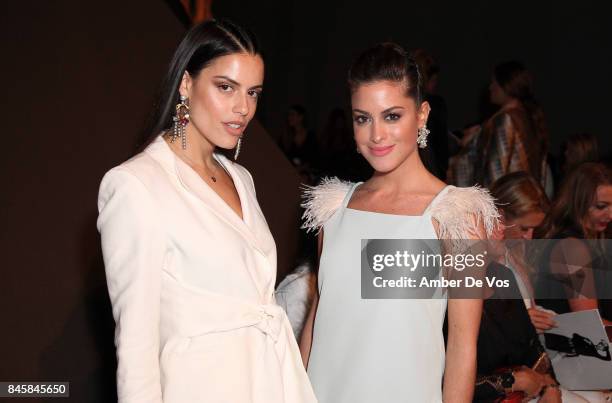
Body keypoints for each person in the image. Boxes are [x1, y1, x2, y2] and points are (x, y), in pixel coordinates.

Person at [97, 19, 316, 403]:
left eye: (254, 93)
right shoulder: (137, 185)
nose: (243, 108)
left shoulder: (241, 178)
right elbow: (136, 347)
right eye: (226, 87)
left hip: (267, 383)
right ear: (186, 83)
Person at [299, 42, 500, 403]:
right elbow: (318, 317)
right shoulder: (333, 208)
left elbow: (462, 349)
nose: (376, 135)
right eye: (363, 118)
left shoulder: (458, 217)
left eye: (392, 116)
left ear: (421, 115)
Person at [449, 61, 548, 189]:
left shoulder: (506, 119)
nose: (490, 87)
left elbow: (496, 170)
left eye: (494, 82)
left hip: (506, 200)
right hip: (521, 197)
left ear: (506, 86)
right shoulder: (525, 116)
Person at [535, 163, 612, 325]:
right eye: (601, 207)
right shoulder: (573, 247)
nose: (610, 215)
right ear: (579, 204)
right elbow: (588, 321)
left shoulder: (595, 240)